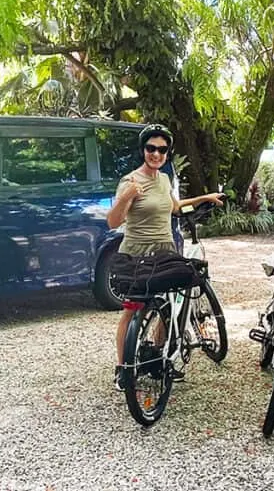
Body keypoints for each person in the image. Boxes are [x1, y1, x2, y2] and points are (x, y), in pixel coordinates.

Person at [106, 124, 225, 391]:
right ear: (143, 150)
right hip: (137, 253)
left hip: (165, 250)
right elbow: (112, 222)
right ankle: (123, 368)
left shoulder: (164, 179)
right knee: (132, 310)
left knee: (169, 309)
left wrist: (205, 197)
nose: (156, 154)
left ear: (167, 153)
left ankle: (158, 358)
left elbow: (174, 207)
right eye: (151, 148)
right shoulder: (130, 181)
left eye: (162, 150)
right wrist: (127, 197)